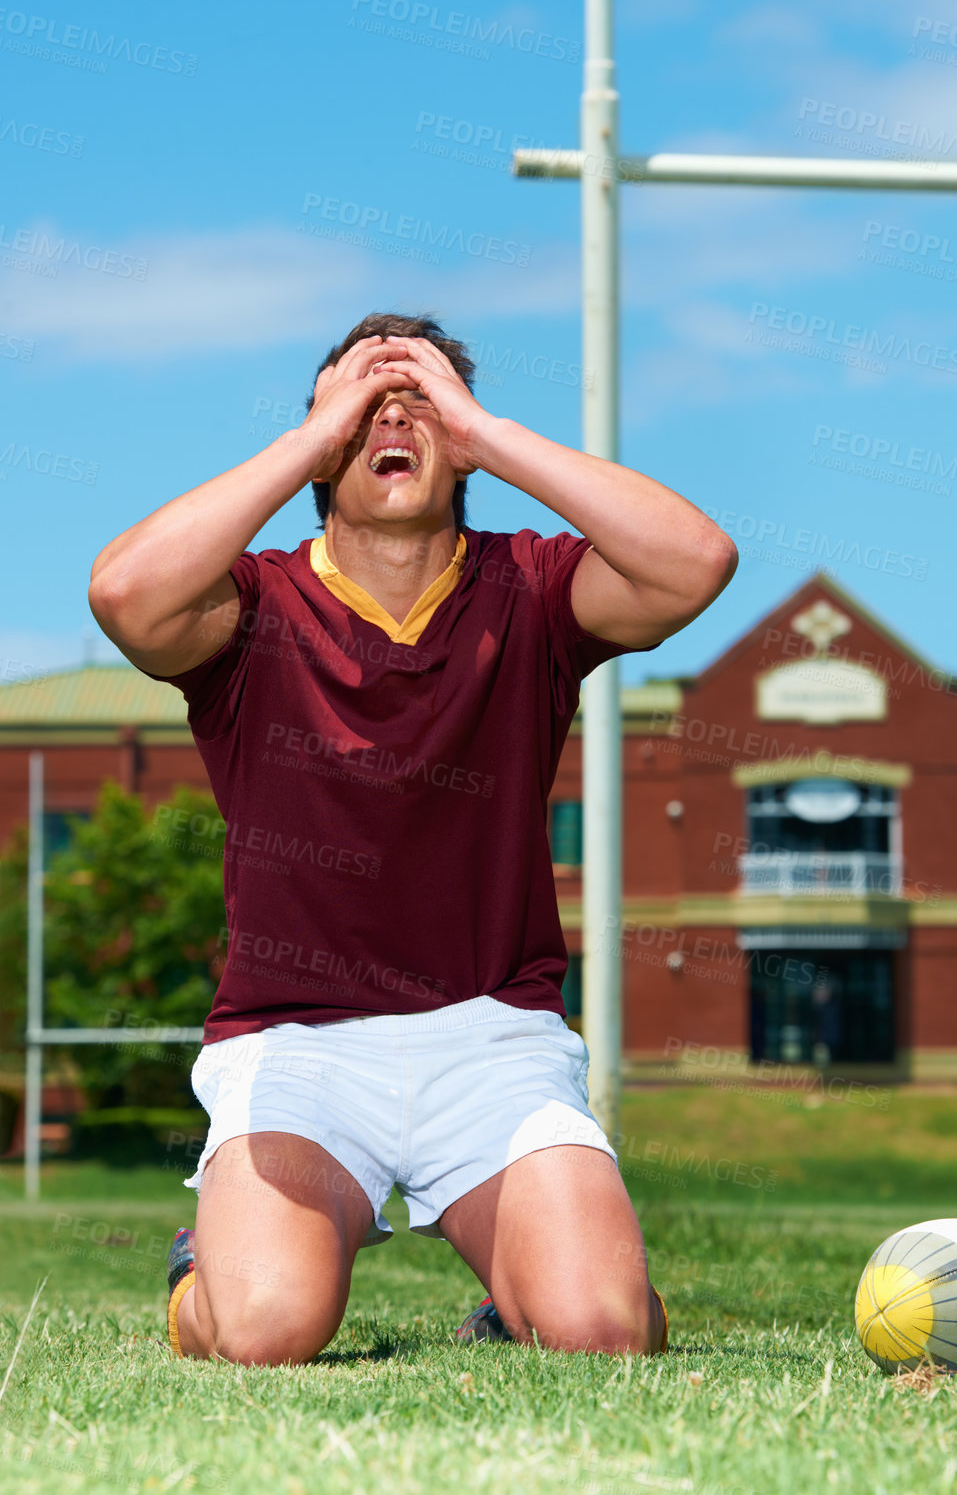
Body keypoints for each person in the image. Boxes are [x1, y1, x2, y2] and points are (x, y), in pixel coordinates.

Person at [89, 311, 737, 1366]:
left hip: (493, 1037)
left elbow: (694, 562)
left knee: (601, 1331)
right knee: (263, 1332)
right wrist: (315, 428)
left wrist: (483, 424)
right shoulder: (250, 606)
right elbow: (124, 593)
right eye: (360, 405)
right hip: (293, 1045)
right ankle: (199, 1263)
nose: (391, 417)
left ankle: (519, 1290)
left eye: (419, 402)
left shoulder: (529, 588)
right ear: (320, 448)